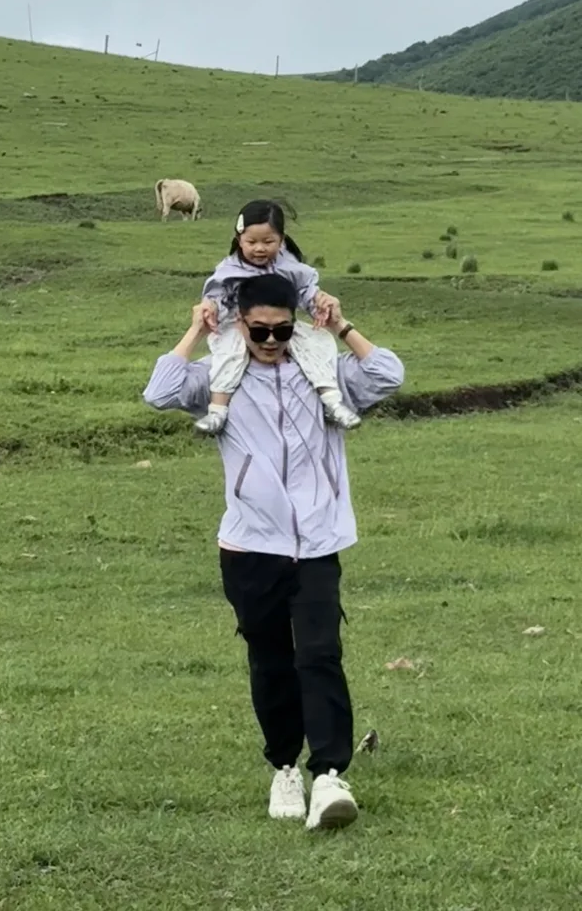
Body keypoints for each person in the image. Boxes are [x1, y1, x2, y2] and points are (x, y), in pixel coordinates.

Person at [143, 272, 404, 830]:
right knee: (271, 663)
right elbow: (160, 391)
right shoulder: (223, 376)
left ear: (296, 326)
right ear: (242, 324)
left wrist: (341, 326)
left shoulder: (321, 371)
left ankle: (330, 775)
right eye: (258, 330)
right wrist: (194, 331)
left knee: (319, 654)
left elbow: (386, 374)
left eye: (281, 331)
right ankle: (284, 766)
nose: (269, 341)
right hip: (249, 546)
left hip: (316, 543)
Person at [193, 200, 359, 436]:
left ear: (281, 239)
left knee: (316, 344)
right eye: (251, 242)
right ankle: (218, 410)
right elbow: (217, 295)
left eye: (268, 242)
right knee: (229, 353)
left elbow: (305, 290)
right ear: (238, 239)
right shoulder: (229, 269)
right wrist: (210, 306)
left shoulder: (289, 265)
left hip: (283, 325)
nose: (259, 248)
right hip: (242, 326)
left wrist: (318, 302)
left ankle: (331, 400)